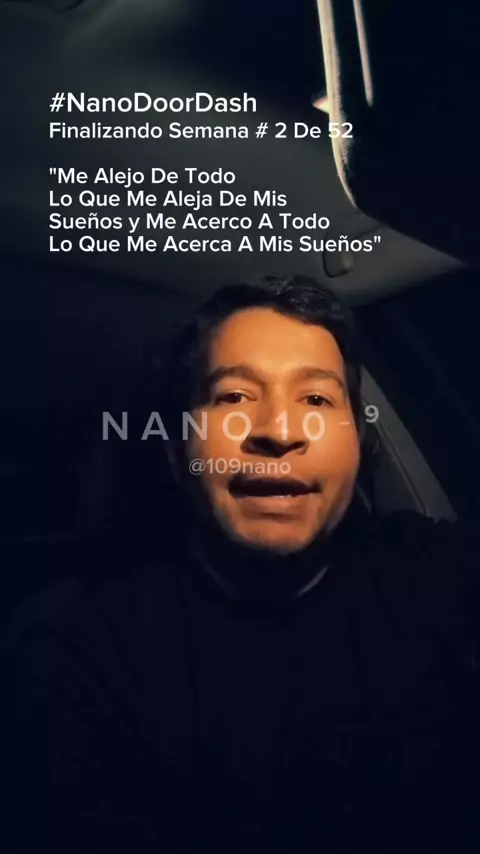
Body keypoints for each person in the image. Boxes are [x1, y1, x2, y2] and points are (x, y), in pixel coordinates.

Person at [2, 275, 480, 853]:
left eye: (316, 400)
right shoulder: (77, 661)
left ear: (360, 445)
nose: (279, 432)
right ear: (177, 452)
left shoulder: (436, 573)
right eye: (233, 397)